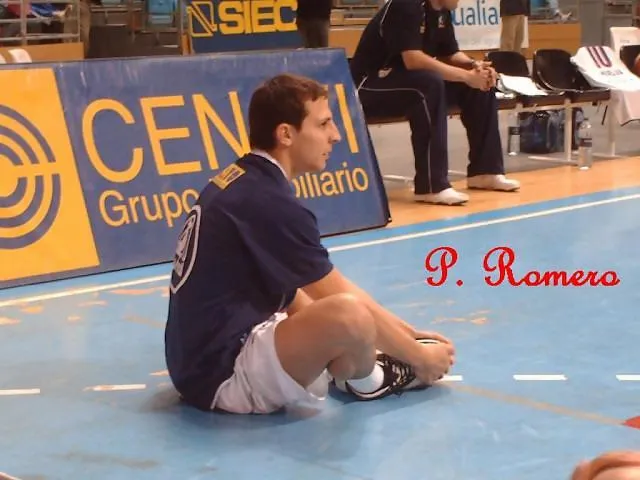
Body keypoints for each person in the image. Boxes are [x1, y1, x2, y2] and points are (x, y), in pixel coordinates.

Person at [164, 73, 456, 414]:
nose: (335, 135)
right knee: (349, 315)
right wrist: (420, 357)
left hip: (200, 361)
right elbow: (336, 294)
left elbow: (293, 293)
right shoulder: (268, 202)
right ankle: (371, 381)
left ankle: (359, 366)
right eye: (323, 124)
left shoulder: (246, 180)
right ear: (286, 134)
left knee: (344, 319)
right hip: (223, 374)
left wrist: (406, 333)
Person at [349, 0, 521, 206]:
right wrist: (466, 76)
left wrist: (474, 67)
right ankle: (431, 185)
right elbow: (413, 59)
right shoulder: (406, 5)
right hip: (368, 85)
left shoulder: (442, 11)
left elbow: (450, 54)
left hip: (406, 81)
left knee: (480, 84)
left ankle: (485, 171)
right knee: (429, 84)